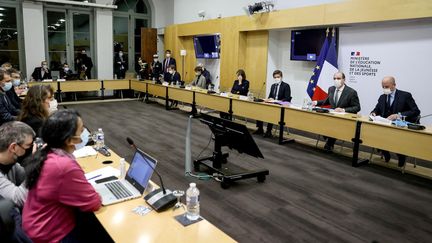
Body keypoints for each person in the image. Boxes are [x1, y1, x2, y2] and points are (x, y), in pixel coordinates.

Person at [23, 109, 102, 242]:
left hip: (36, 225)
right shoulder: (63, 166)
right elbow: (93, 203)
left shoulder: (47, 152)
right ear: (69, 140)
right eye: (81, 131)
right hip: (51, 234)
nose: (84, 134)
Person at [370, 76, 420, 167]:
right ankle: (384, 151)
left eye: (387, 86)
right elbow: (376, 109)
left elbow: (416, 111)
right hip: (386, 125)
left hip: (400, 126)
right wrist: (373, 113)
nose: (385, 89)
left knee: (397, 138)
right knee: (375, 133)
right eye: (383, 87)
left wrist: (398, 115)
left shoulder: (405, 96)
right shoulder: (382, 97)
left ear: (394, 85)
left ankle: (401, 156)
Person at [313, 71, 361, 151]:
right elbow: (327, 101)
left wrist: (343, 110)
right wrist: (316, 102)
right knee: (320, 122)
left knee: (333, 125)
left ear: (344, 80)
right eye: (334, 78)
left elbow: (357, 107)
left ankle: (330, 143)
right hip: (332, 117)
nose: (336, 80)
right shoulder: (331, 89)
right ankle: (329, 139)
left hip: (344, 119)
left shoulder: (351, 92)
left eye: (338, 78)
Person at [0, 121, 35, 208]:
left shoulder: (11, 164)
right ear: (13, 147)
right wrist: (36, 163)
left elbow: (28, 180)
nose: (30, 149)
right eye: (28, 146)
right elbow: (19, 199)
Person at [255, 70, 291, 137]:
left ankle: (269, 131)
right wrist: (270, 99)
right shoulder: (273, 86)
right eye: (275, 77)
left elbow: (287, 98)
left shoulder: (286, 86)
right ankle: (260, 128)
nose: (276, 78)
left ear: (281, 77)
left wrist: (277, 101)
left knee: (270, 112)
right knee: (260, 110)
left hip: (280, 106)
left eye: (278, 77)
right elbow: (270, 96)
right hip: (272, 104)